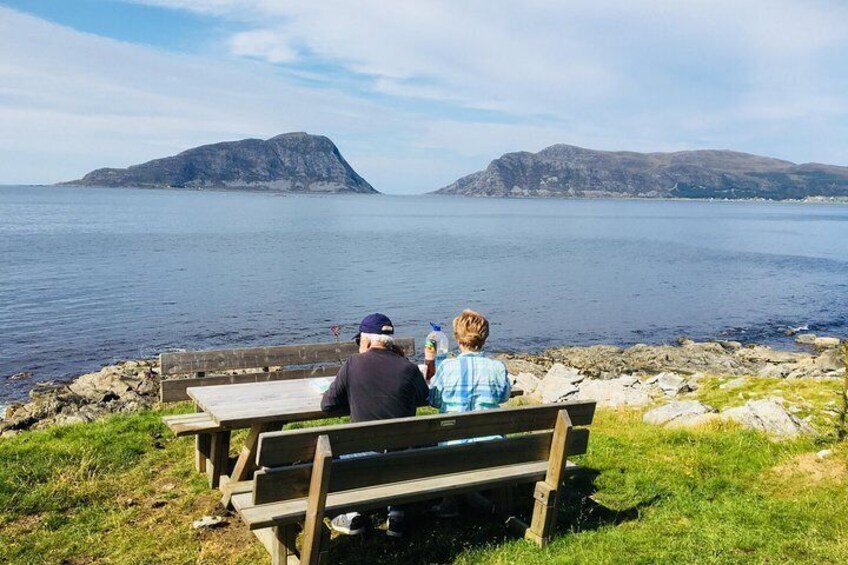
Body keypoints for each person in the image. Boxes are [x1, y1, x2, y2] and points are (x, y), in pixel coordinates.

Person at [321, 313, 429, 537]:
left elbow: (327, 405)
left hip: (362, 460)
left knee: (327, 452)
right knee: (400, 448)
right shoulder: (408, 369)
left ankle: (351, 515)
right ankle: (397, 513)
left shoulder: (353, 364)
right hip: (402, 460)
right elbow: (423, 397)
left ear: (367, 341)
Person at [427, 308, 511, 517]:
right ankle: (471, 497)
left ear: (457, 337)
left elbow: (435, 401)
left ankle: (454, 500)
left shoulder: (447, 367)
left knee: (448, 436)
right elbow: (503, 397)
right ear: (485, 337)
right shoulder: (497, 367)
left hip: (452, 448)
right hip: (491, 446)